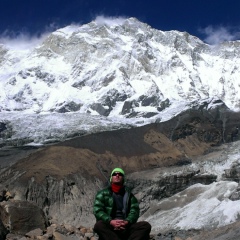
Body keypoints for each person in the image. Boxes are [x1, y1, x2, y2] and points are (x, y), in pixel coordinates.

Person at [93, 167, 151, 240]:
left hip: (125, 227)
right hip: (110, 226)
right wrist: (110, 221)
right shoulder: (102, 194)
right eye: (115, 174)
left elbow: (134, 211)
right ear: (111, 178)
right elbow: (97, 210)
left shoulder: (130, 196)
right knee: (99, 225)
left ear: (123, 178)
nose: (117, 175)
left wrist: (127, 221)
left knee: (145, 226)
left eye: (120, 174)